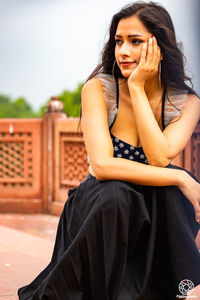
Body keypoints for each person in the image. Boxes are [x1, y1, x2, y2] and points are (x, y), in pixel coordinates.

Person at [18, 1, 200, 299]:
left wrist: (139, 90)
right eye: (118, 41)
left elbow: (158, 157)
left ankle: (173, 289)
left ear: (160, 46)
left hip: (149, 202)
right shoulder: (100, 89)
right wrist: (182, 178)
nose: (123, 51)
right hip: (102, 202)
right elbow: (101, 166)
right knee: (129, 190)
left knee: (169, 191)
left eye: (135, 41)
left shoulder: (186, 102)